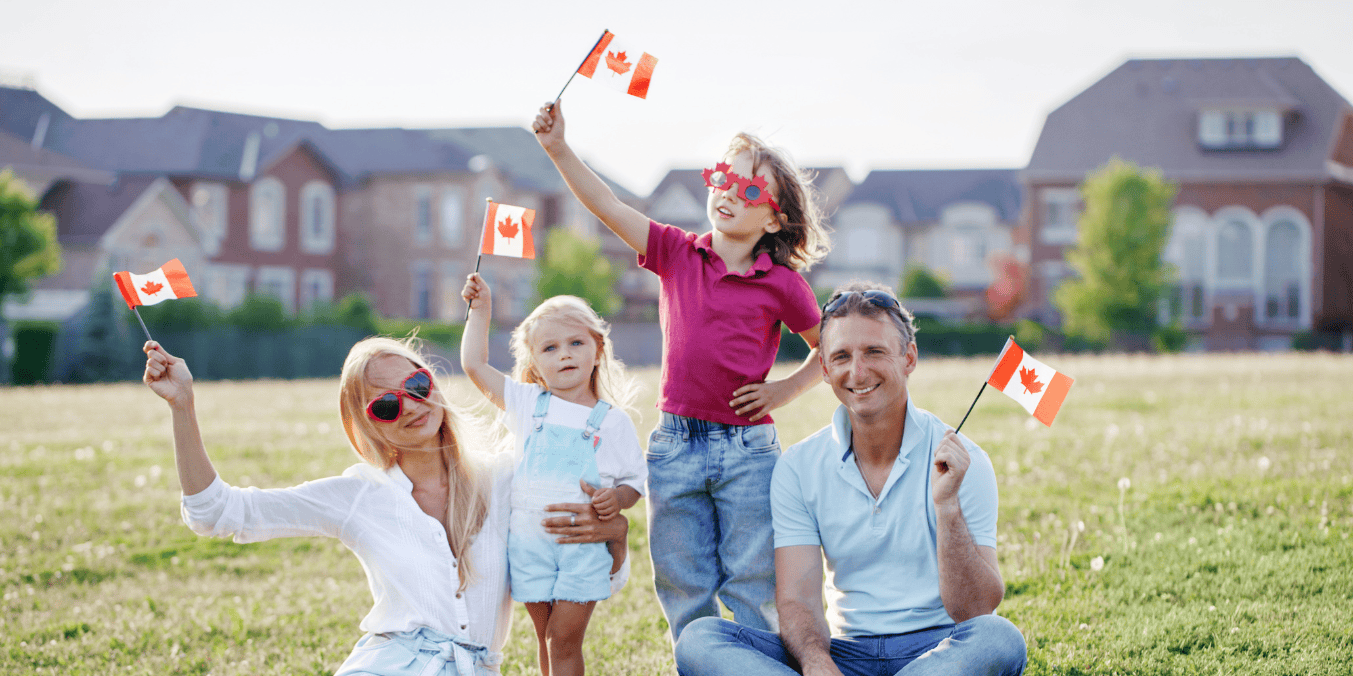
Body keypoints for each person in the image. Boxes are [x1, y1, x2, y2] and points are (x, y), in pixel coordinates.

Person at [141, 336, 631, 676]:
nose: (411, 406)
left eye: (416, 386)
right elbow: (215, 513)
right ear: (367, 426)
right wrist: (182, 406)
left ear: (433, 384)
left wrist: (615, 534)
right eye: (386, 405)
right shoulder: (363, 495)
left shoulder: (507, 477)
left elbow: (594, 576)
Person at [533, 101, 832, 643]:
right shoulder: (675, 252)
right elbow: (606, 205)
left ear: (774, 219)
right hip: (675, 446)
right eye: (723, 178)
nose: (728, 193)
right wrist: (558, 147)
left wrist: (785, 389)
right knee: (683, 584)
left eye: (749, 190)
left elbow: (829, 351)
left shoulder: (783, 284)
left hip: (748, 450)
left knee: (752, 584)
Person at [675, 282, 1028, 676]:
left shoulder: (964, 461)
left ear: (908, 357)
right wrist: (815, 660)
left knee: (1000, 638)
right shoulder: (799, 467)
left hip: (938, 652)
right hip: (845, 655)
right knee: (700, 639)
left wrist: (947, 508)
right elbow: (798, 599)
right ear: (824, 369)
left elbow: (976, 610)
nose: (857, 372)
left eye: (874, 352)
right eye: (841, 356)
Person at [460, 275, 645, 676]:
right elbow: (473, 365)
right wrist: (481, 310)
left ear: (598, 350)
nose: (565, 354)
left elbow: (634, 482)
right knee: (544, 640)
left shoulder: (612, 422)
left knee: (564, 638)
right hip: (529, 546)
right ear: (535, 365)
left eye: (576, 343)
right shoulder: (527, 404)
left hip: (580, 547)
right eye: (550, 348)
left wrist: (619, 498)